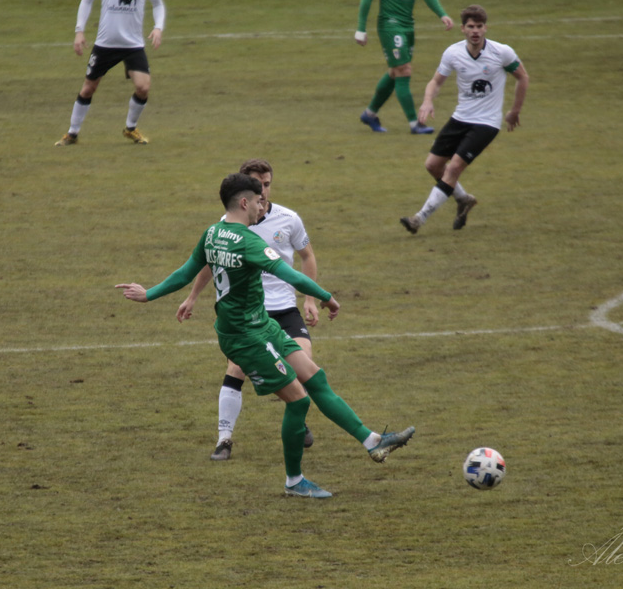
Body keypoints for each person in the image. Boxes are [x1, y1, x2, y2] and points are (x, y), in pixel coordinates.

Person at [117, 174, 415, 499]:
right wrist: (327, 297)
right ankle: (294, 481)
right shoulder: (249, 242)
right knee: (299, 401)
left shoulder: (212, 233)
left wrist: (149, 294)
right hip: (246, 338)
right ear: (245, 202)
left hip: (262, 325)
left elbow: (185, 272)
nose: (263, 206)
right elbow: (291, 275)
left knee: (315, 377)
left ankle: (373, 441)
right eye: (260, 201)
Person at [176, 159, 319, 462]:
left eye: (267, 184)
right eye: (258, 185)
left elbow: (307, 256)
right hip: (248, 315)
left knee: (304, 364)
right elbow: (210, 262)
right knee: (235, 369)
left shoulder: (289, 219)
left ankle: (299, 417)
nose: (263, 191)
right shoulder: (230, 224)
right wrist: (192, 297)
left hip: (284, 309)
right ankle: (224, 439)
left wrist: (309, 299)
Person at [400, 5, 529, 235]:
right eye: (471, 26)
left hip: (486, 123)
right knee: (433, 165)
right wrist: (428, 100)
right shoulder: (453, 53)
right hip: (460, 118)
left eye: (479, 26)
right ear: (462, 29)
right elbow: (436, 82)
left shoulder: (502, 52)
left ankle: (419, 219)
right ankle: (463, 199)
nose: (475, 31)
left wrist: (514, 111)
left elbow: (522, 77)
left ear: (486, 28)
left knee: (453, 168)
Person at [55, 0, 165, 147]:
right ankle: (72, 133)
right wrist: (79, 31)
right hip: (106, 44)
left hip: (133, 45)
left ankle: (130, 128)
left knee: (143, 87)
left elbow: (158, 3)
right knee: (88, 88)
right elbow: (87, 0)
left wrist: (158, 27)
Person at [355, 0, 454, 135]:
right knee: (404, 70)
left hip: (408, 26)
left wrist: (442, 14)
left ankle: (370, 114)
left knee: (395, 72)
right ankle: (414, 123)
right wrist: (361, 28)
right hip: (390, 25)